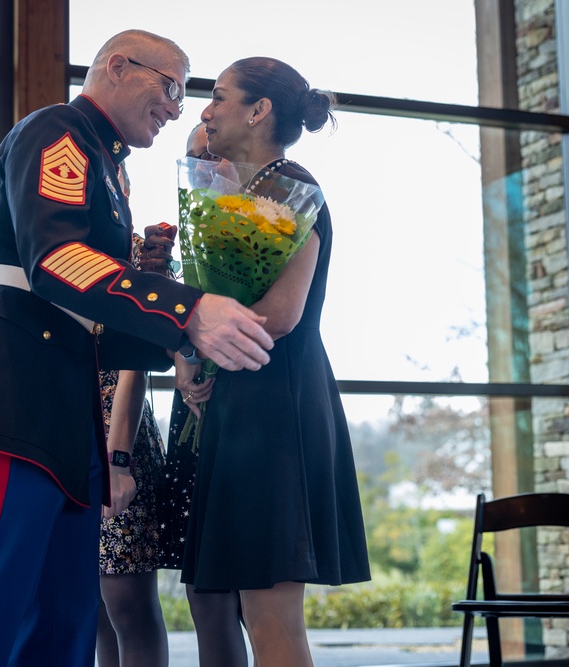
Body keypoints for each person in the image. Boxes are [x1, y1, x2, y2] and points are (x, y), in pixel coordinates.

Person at [0, 29, 274, 667]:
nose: (175, 107)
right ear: (115, 66)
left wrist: (151, 283)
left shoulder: (107, 164)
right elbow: (54, 259)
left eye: (183, 96)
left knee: (65, 610)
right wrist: (185, 309)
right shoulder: (60, 132)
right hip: (12, 387)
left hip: (66, 396)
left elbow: (93, 304)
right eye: (169, 86)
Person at [176, 57, 371, 667]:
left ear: (259, 111)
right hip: (234, 402)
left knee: (269, 611)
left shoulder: (291, 189)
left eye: (220, 97)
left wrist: (201, 338)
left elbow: (281, 314)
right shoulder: (238, 191)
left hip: (277, 406)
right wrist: (189, 352)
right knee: (213, 598)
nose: (205, 110)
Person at [157, 123, 249, 667]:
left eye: (211, 156)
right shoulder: (183, 233)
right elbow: (170, 317)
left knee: (245, 588)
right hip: (193, 405)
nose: (201, 167)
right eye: (192, 158)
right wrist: (186, 365)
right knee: (202, 586)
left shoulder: (262, 224)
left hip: (243, 408)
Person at [95, 164, 172, 667]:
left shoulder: (141, 262)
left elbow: (134, 366)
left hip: (116, 435)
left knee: (127, 603)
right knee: (93, 606)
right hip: (67, 432)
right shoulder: (60, 257)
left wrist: (117, 457)